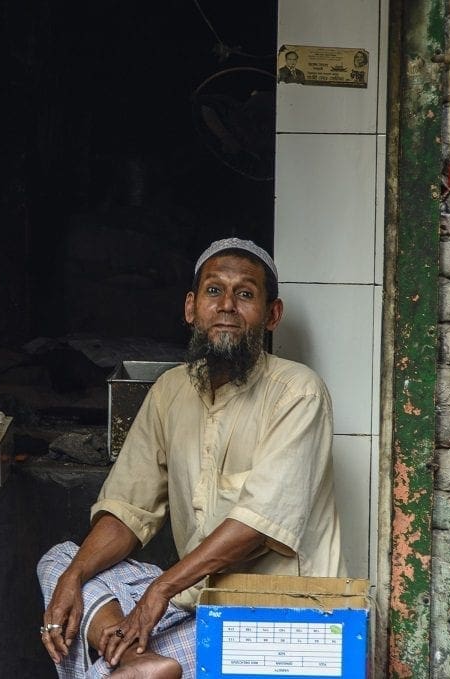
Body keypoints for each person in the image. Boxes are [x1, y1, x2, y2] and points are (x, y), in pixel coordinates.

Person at [37, 238, 345, 679]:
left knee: (101, 669)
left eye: (245, 294)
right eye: (214, 291)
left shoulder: (298, 391)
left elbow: (257, 524)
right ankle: (135, 662)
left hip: (277, 617)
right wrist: (74, 577)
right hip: (196, 605)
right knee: (62, 562)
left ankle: (127, 667)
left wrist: (160, 590)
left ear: (272, 315)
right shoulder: (169, 391)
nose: (227, 306)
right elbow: (128, 510)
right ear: (190, 307)